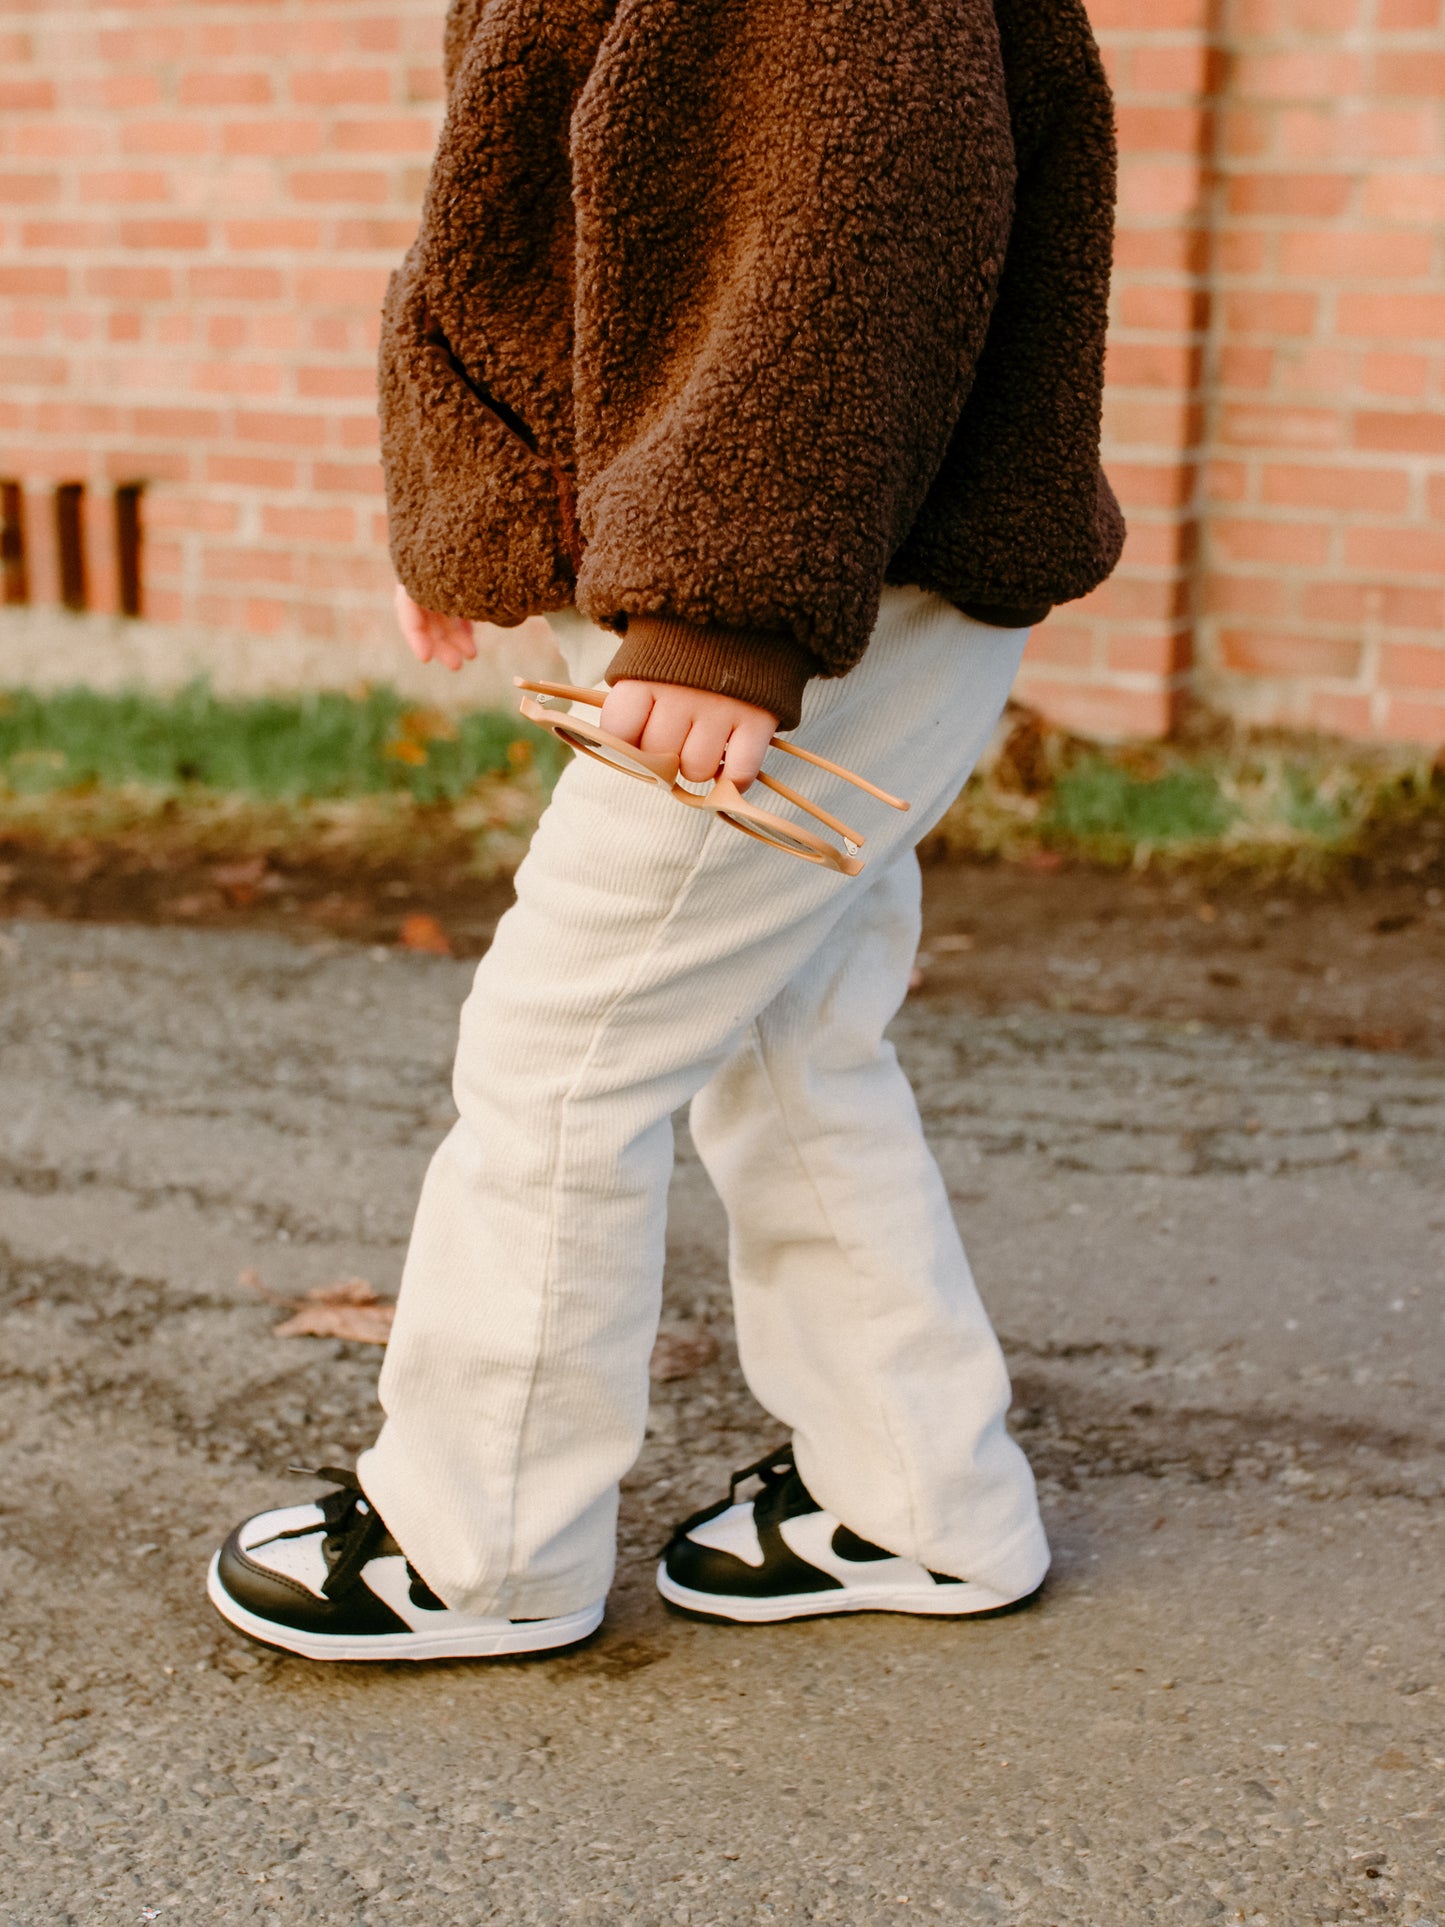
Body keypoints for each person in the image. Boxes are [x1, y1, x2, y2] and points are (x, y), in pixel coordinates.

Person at [207, 0, 1123, 1661]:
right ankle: (920, 1502)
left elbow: (849, 231)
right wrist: (469, 509)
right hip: (785, 574)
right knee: (785, 1042)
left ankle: (478, 1549)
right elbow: (543, 203)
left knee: (561, 1056)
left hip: (801, 596)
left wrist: (725, 613)